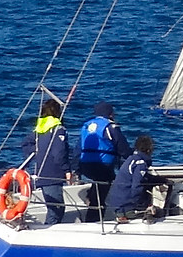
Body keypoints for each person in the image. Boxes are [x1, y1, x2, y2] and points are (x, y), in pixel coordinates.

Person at [23, 97, 74, 226]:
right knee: (57, 209)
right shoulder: (58, 129)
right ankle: (47, 229)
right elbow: (59, 153)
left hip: (41, 171)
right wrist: (67, 170)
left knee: (53, 207)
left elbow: (25, 144)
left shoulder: (40, 128)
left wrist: (38, 151)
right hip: (53, 174)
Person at [76, 102, 127, 216]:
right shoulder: (110, 127)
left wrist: (76, 168)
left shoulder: (86, 126)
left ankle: (90, 195)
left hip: (85, 165)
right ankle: (94, 218)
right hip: (103, 166)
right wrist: (132, 157)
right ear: (110, 114)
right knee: (102, 193)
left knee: (99, 183)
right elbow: (122, 147)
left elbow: (78, 148)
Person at [107, 134, 157, 220]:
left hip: (115, 204)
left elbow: (141, 177)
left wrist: (158, 180)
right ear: (149, 150)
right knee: (158, 212)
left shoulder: (131, 159)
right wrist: (141, 205)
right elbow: (137, 187)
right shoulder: (140, 163)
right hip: (125, 208)